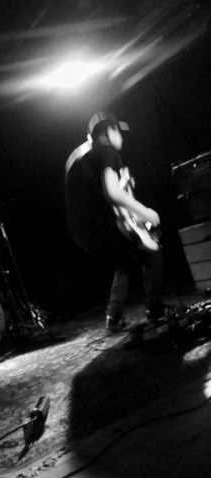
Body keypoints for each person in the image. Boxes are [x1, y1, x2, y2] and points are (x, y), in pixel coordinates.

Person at [65, 112, 165, 331]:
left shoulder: (80, 156)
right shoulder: (107, 151)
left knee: (125, 259)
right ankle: (156, 312)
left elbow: (98, 195)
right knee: (152, 250)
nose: (122, 138)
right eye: (119, 132)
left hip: (82, 232)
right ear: (108, 132)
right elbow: (111, 194)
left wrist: (124, 187)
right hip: (102, 225)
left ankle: (114, 316)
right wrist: (145, 212)